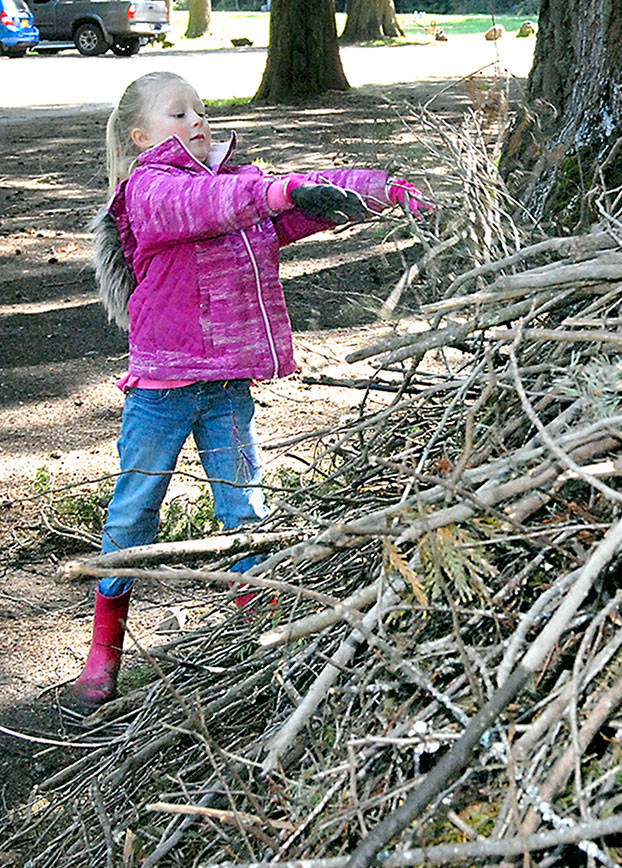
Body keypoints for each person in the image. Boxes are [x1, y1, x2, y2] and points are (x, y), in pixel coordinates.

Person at [70, 71, 432, 709]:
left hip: (228, 384)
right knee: (135, 513)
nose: (196, 120)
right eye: (178, 114)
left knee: (244, 512)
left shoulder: (232, 184)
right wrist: (278, 191)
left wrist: (370, 193)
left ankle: (255, 639)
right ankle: (105, 649)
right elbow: (218, 206)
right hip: (165, 385)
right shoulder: (149, 191)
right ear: (139, 135)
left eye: (200, 109)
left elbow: (274, 214)